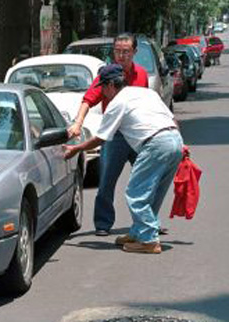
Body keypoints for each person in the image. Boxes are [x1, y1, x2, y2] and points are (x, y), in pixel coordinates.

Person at [63, 64, 183, 254]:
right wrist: (180, 146)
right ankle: (138, 232)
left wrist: (76, 149)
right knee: (152, 193)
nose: (102, 91)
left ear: (111, 85)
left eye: (103, 87)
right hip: (174, 139)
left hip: (155, 143)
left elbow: (101, 139)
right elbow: (172, 118)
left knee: (136, 194)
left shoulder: (117, 103)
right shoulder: (146, 93)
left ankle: (149, 239)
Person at [67, 33, 149, 236]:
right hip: (115, 136)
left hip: (138, 136)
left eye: (126, 51)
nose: (121, 56)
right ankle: (103, 223)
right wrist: (78, 123)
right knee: (106, 181)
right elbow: (88, 99)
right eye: (118, 51)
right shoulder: (108, 74)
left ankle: (148, 222)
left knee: (147, 178)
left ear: (134, 52)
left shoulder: (142, 74)